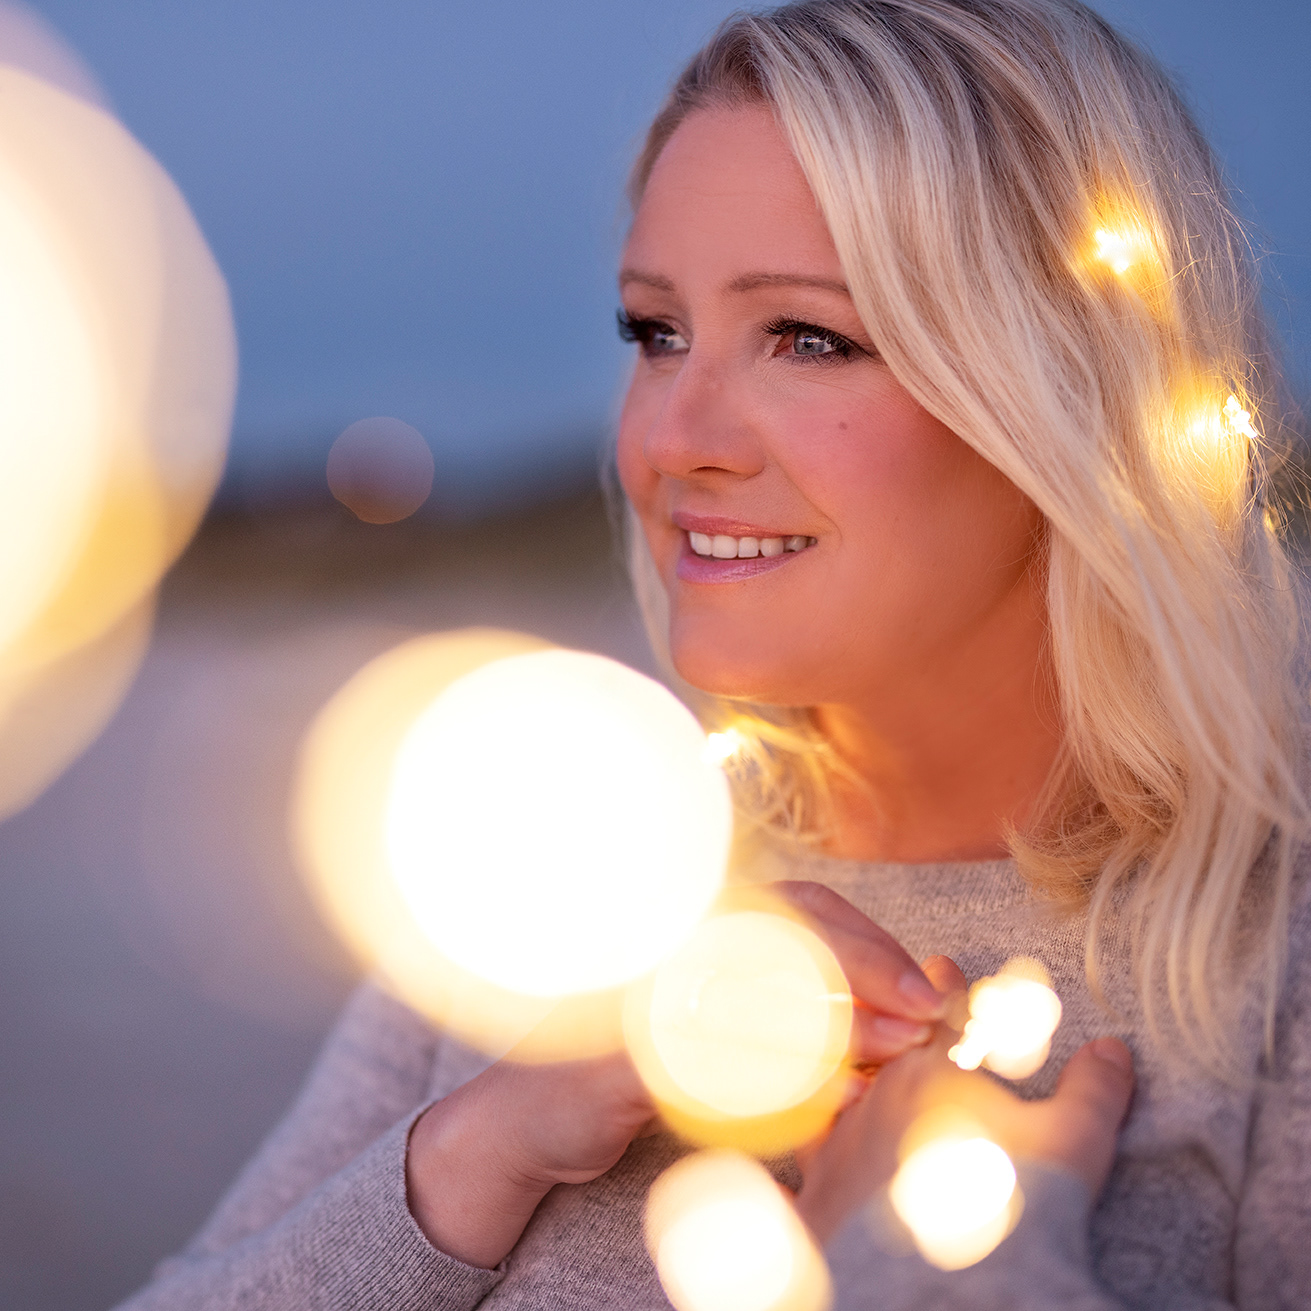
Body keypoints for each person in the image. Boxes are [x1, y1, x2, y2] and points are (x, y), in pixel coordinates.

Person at [117, 1, 1311, 1307]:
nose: (671, 439)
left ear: (1068, 392)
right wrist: (481, 1146)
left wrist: (915, 1261)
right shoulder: (567, 883)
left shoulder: (1272, 977)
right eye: (655, 331)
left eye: (809, 337)